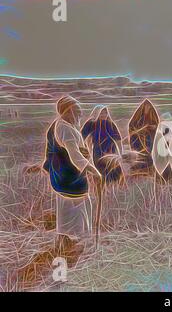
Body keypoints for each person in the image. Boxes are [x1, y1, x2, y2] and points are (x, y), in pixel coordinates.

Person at [21, 96, 101, 288]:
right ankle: (71, 245)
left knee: (72, 208)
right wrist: (93, 170)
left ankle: (67, 242)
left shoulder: (64, 125)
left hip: (66, 176)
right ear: (69, 110)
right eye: (78, 109)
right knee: (75, 207)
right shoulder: (64, 128)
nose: (81, 113)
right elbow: (74, 155)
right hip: (68, 177)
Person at [81, 106, 124, 186]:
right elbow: (82, 136)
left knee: (115, 170)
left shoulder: (111, 124)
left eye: (105, 113)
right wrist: (83, 148)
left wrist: (120, 153)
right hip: (98, 151)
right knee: (101, 170)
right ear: (97, 113)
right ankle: (102, 187)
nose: (104, 115)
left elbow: (118, 139)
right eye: (101, 113)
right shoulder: (91, 123)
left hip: (110, 150)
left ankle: (115, 189)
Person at [128, 99, 160, 177]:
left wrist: (153, 128)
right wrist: (140, 130)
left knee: (149, 155)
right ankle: (138, 174)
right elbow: (132, 126)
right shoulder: (138, 117)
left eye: (149, 107)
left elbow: (157, 126)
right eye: (146, 107)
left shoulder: (152, 116)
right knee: (140, 156)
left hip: (149, 139)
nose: (147, 108)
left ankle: (149, 172)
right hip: (138, 141)